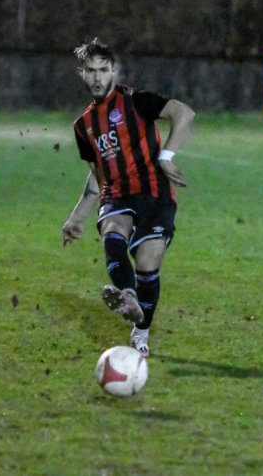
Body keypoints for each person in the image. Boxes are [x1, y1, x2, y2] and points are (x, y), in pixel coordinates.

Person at [62, 38, 195, 356]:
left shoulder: (137, 101)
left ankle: (140, 331)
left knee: (147, 264)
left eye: (103, 70)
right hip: (117, 194)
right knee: (113, 231)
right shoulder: (83, 126)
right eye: (90, 71)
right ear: (82, 74)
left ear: (113, 71)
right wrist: (77, 218)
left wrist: (167, 156)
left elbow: (184, 113)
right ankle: (127, 295)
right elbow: (98, 175)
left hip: (155, 193)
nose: (97, 77)